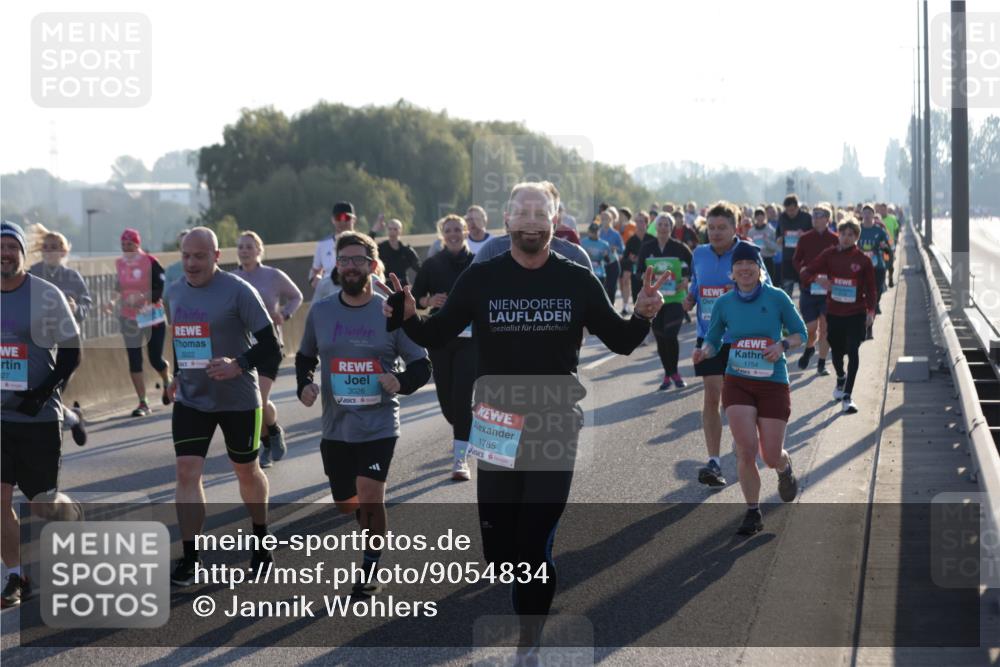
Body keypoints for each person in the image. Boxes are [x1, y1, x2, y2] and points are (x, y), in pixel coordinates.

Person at [383, 181, 667, 657]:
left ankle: (529, 636)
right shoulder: (480, 278)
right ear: (508, 221)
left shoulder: (576, 278)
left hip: (555, 422)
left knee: (534, 544)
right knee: (500, 555)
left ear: (554, 222)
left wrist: (640, 316)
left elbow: (618, 340)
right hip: (496, 421)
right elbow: (440, 331)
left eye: (542, 212)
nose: (532, 220)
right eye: (523, 212)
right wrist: (410, 318)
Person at [297, 232, 430, 595]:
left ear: (373, 266)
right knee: (346, 503)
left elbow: (422, 365)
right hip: (335, 426)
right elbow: (305, 356)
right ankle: (367, 523)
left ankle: (369, 566)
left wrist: (398, 381)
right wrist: (304, 384)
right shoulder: (321, 312)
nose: (351, 267)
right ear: (336, 267)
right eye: (344, 261)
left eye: (358, 260)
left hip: (379, 424)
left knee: (371, 494)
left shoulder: (391, 311)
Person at [164, 227, 283, 586]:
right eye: (186, 255)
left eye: (200, 256)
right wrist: (176, 374)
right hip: (192, 399)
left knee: (246, 472)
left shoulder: (238, 291)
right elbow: (181, 337)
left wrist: (238, 364)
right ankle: (191, 555)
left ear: (216, 256)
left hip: (237, 400)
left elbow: (271, 345)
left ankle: (261, 539)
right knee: (186, 472)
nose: (191, 263)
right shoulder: (173, 292)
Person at [692, 242, 806, 535]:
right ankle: (753, 512)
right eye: (739, 265)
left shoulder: (777, 297)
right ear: (732, 273)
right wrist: (705, 351)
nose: (744, 269)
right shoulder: (724, 303)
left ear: (759, 269)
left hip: (773, 383)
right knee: (745, 449)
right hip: (738, 381)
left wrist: (781, 345)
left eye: (750, 264)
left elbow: (800, 334)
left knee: (769, 455)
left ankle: (783, 467)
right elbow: (714, 338)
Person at [1, 221, 83, 607]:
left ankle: (73, 518)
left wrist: (41, 393)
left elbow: (71, 353)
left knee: (42, 504)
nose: (4, 254)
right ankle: (16, 576)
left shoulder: (46, 295)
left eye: (10, 247)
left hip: (39, 416)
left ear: (22, 253)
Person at [682, 202, 772, 488]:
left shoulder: (747, 254)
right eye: (711, 228)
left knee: (738, 401)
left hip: (743, 339)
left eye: (722, 228)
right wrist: (688, 299)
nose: (716, 233)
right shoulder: (699, 253)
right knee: (712, 394)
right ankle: (714, 461)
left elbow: (765, 288)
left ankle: (744, 442)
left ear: (735, 228)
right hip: (709, 337)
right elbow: (696, 286)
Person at [411, 214, 477, 480]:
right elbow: (414, 299)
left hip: (470, 341)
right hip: (440, 340)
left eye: (457, 229)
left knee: (461, 399)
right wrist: (429, 299)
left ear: (466, 231)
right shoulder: (432, 264)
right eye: (448, 230)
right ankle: (466, 427)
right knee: (449, 406)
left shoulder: (477, 263)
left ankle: (460, 461)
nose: (453, 234)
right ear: (442, 234)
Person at [232, 231, 304, 468]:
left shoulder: (273, 276)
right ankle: (271, 433)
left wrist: (284, 314)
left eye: (249, 247)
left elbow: (296, 296)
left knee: (259, 399)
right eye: (241, 247)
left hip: (269, 345)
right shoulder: (231, 279)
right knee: (256, 402)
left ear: (259, 250)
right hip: (243, 347)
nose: (245, 251)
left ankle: (265, 446)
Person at [799, 218, 877, 414]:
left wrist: (870, 311)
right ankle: (840, 377)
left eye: (851, 235)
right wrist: (819, 280)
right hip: (834, 312)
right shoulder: (829, 254)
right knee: (837, 352)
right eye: (843, 234)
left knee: (853, 351)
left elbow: (871, 288)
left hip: (856, 313)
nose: (846, 238)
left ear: (856, 237)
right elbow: (806, 273)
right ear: (839, 234)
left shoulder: (863, 260)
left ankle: (848, 396)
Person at [28, 224, 90, 445]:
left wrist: (76, 310)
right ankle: (73, 418)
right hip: (38, 345)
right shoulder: (32, 274)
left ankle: (62, 426)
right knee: (45, 395)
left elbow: (86, 303)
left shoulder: (72, 277)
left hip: (67, 345)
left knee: (50, 393)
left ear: (64, 252)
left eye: (56, 247)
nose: (51, 250)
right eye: (47, 247)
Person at [105, 228, 171, 416]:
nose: (126, 248)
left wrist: (142, 298)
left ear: (137, 244)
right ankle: (143, 402)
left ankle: (167, 380)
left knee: (155, 359)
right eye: (123, 245)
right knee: (135, 360)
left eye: (130, 245)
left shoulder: (150, 262)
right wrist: (111, 301)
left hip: (151, 317)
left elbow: (160, 289)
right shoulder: (121, 264)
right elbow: (119, 285)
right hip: (129, 317)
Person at [639, 214, 692, 390]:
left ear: (671, 227)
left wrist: (686, 280)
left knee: (670, 334)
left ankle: (674, 373)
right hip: (654, 300)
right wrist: (645, 280)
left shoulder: (679, 247)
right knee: (661, 338)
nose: (662, 227)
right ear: (656, 227)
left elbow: (693, 266)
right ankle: (668, 374)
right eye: (659, 224)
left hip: (675, 299)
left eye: (666, 224)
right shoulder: (647, 248)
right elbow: (639, 271)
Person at [792, 204, 839, 375]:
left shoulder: (835, 239)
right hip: (808, 289)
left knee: (825, 328)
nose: (815, 219)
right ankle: (810, 348)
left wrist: (833, 279)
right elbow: (796, 260)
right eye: (813, 216)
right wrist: (804, 272)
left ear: (827, 219)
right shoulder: (805, 238)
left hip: (827, 291)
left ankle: (821, 363)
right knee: (811, 329)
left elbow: (841, 263)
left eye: (819, 216)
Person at [309, 202, 357, 303]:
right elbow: (315, 271)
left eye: (347, 218)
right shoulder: (322, 245)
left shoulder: (363, 243)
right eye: (339, 218)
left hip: (356, 291)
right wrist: (315, 279)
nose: (343, 221)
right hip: (330, 293)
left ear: (354, 220)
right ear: (333, 220)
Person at [858, 203, 893, 336]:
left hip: (877, 267)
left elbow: (888, 249)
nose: (867, 215)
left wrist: (884, 248)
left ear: (873, 215)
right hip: (860, 268)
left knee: (875, 295)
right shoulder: (856, 229)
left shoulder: (879, 231)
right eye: (864, 213)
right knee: (862, 297)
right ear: (862, 215)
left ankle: (870, 319)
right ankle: (866, 327)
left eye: (869, 213)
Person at [776, 194, 813, 298]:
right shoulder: (782, 217)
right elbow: (778, 233)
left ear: (797, 207)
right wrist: (779, 238)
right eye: (787, 210)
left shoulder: (807, 218)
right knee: (787, 289)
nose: (790, 213)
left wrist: (804, 235)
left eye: (792, 210)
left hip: (803, 259)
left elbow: (813, 235)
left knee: (805, 290)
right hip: (787, 258)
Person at [376, 219, 421, 287]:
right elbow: (368, 246)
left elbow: (419, 268)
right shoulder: (381, 248)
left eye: (395, 229)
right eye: (390, 229)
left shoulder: (406, 250)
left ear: (400, 231)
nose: (392, 232)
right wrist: (375, 228)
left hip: (402, 285)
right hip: (386, 285)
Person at [625, 212, 652, 306]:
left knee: (650, 302)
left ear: (646, 223)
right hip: (636, 274)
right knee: (637, 302)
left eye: (641, 221)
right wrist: (630, 259)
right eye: (637, 221)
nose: (639, 224)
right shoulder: (631, 241)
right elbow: (624, 259)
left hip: (650, 275)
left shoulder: (652, 239)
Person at [599, 208, 625, 305]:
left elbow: (622, 249)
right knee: (601, 288)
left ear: (611, 220)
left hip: (613, 264)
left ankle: (612, 309)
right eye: (602, 218)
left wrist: (616, 248)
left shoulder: (615, 234)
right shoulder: (598, 233)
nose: (604, 220)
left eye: (606, 218)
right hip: (600, 265)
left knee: (612, 289)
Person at [747, 207, 779, 283]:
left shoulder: (770, 230)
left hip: (768, 260)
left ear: (765, 217)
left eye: (761, 215)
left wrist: (766, 241)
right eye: (757, 216)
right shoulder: (751, 231)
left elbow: (776, 247)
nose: (759, 218)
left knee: (769, 283)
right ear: (755, 218)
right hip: (756, 261)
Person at [617, 208, 637, 314]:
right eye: (619, 215)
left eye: (621, 215)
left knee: (626, 280)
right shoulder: (615, 226)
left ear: (626, 215)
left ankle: (625, 305)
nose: (619, 217)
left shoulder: (633, 226)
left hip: (629, 257)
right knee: (621, 282)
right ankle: (625, 302)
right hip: (618, 257)